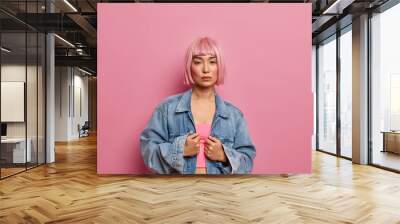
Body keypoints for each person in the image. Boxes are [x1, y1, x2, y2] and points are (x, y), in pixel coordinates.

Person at [140, 37, 256, 174]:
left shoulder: (234, 115)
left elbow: (247, 161)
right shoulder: (167, 109)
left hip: (220, 192)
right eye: (198, 62)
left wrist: (224, 156)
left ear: (220, 67)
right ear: (190, 66)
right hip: (177, 192)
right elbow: (148, 152)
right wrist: (179, 150)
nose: (206, 69)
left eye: (212, 62)